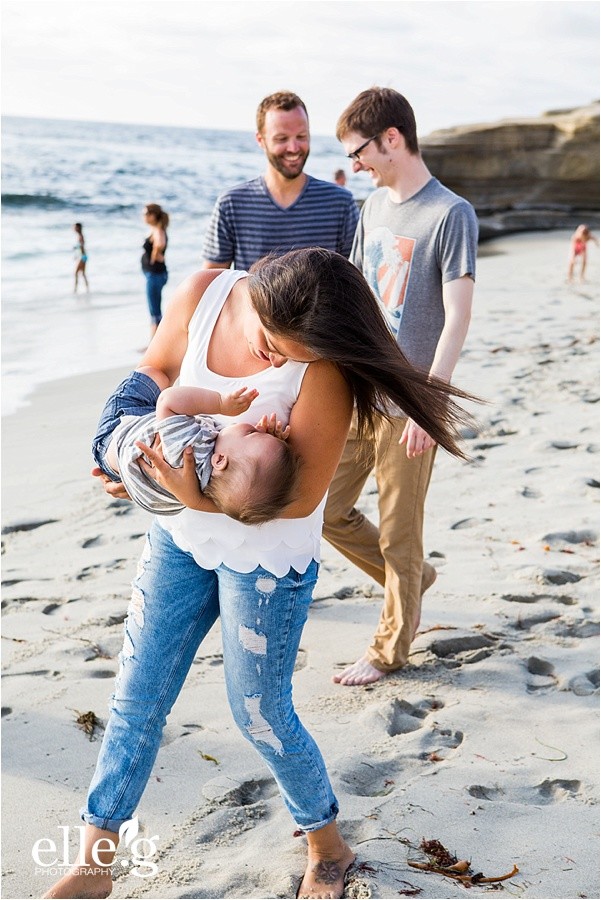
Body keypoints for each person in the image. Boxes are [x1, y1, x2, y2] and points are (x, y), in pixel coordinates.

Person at [44, 248, 473, 900]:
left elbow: (300, 500)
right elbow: (157, 367)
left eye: (288, 357)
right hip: (179, 542)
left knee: (259, 714)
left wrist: (187, 491)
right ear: (258, 302)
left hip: (266, 564)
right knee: (135, 699)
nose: (275, 361)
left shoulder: (322, 366)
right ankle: (95, 865)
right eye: (272, 345)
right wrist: (136, 455)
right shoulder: (204, 293)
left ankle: (327, 846)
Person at [324, 87, 479, 687]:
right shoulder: (371, 208)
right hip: (360, 393)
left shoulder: (450, 214)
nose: (356, 163)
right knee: (327, 511)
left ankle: (390, 650)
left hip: (408, 403)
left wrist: (428, 404)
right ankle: (412, 580)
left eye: (358, 151)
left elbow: (457, 316)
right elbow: (357, 296)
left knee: (399, 532)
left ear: (392, 139)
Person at [94, 366, 299, 523]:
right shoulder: (210, 486)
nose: (256, 427)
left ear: (220, 460)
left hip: (117, 434)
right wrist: (271, 442)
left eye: (251, 432)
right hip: (126, 470)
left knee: (154, 375)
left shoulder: (191, 449)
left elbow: (168, 400)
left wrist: (220, 404)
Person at [201, 91, 359, 270]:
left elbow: (358, 277)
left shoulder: (341, 203)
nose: (293, 148)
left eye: (301, 136)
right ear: (261, 140)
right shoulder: (231, 204)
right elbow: (212, 281)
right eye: (281, 139)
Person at [141, 203, 169, 337]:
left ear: (153, 215)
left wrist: (154, 256)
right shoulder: (155, 229)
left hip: (155, 275)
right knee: (155, 311)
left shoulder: (158, 231)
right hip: (154, 274)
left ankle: (155, 344)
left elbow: (161, 243)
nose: (143, 217)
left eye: (145, 214)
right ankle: (157, 342)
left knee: (155, 312)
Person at [72, 223, 89, 293]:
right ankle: (87, 289)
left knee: (76, 273)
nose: (74, 229)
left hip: (83, 256)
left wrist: (76, 247)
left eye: (75, 227)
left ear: (78, 228)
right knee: (83, 273)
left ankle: (75, 290)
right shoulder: (80, 236)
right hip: (83, 256)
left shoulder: (80, 236)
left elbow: (81, 245)